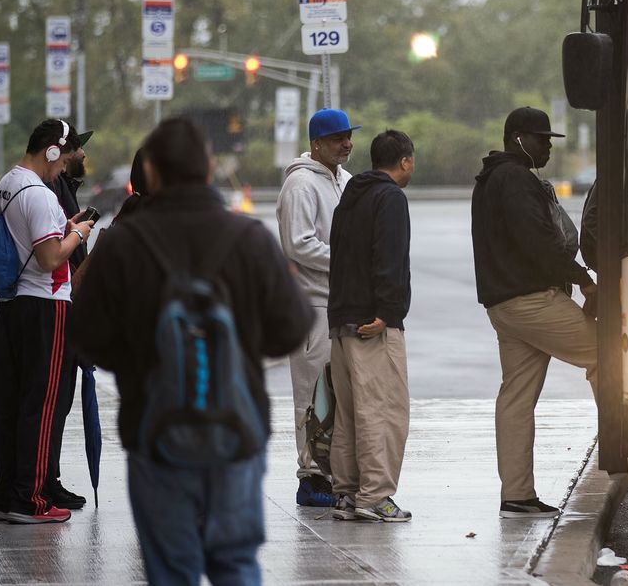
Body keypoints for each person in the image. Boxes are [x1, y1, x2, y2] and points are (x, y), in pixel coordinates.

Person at [68, 117, 313, 584]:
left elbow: (85, 338)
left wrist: (145, 359)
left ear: (152, 175)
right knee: (236, 563)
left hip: (154, 431)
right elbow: (291, 330)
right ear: (208, 170)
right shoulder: (250, 239)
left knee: (171, 570)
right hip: (235, 431)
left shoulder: (122, 245)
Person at [471, 107, 598, 519]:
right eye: (542, 138)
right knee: (611, 356)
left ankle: (517, 495)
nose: (547, 146)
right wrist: (583, 279)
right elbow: (539, 243)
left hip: (502, 304)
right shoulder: (516, 179)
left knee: (516, 397)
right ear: (518, 137)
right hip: (531, 301)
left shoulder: (489, 179)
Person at [0, 119, 94, 524]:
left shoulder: (5, 185)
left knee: (10, 404)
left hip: (11, 304)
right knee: (42, 404)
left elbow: (21, 239)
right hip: (46, 306)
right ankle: (31, 499)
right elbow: (50, 259)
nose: (64, 168)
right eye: (63, 158)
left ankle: (6, 493)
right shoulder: (41, 194)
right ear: (52, 150)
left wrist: (63, 228)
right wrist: (79, 233)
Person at [328, 129, 416, 523]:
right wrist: (388, 310)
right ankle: (376, 495)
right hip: (372, 324)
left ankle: (347, 494)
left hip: (342, 320)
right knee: (383, 410)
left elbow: (340, 256)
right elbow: (389, 258)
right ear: (405, 161)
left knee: (349, 413)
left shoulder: (352, 194)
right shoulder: (390, 197)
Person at [276, 108, 358, 507]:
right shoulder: (301, 185)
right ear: (316, 144)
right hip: (311, 306)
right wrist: (348, 260)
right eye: (338, 138)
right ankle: (310, 478)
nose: (347, 143)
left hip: (340, 303)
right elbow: (299, 243)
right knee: (311, 396)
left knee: (338, 393)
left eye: (348, 136)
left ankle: (335, 472)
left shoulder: (343, 180)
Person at [43, 127, 93, 511]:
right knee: (52, 398)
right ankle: (43, 480)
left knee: (60, 399)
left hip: (67, 297)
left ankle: (48, 477)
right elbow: (56, 251)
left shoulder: (65, 185)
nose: (83, 156)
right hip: (57, 299)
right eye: (78, 150)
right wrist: (80, 234)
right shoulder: (54, 187)